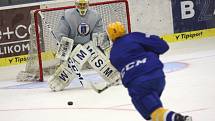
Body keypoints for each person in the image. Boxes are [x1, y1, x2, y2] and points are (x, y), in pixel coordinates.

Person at [106, 21, 192, 121]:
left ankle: (180, 119)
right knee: (152, 115)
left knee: (153, 113)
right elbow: (163, 46)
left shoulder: (112, 54)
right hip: (157, 75)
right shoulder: (134, 36)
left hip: (138, 84)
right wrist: (152, 52)